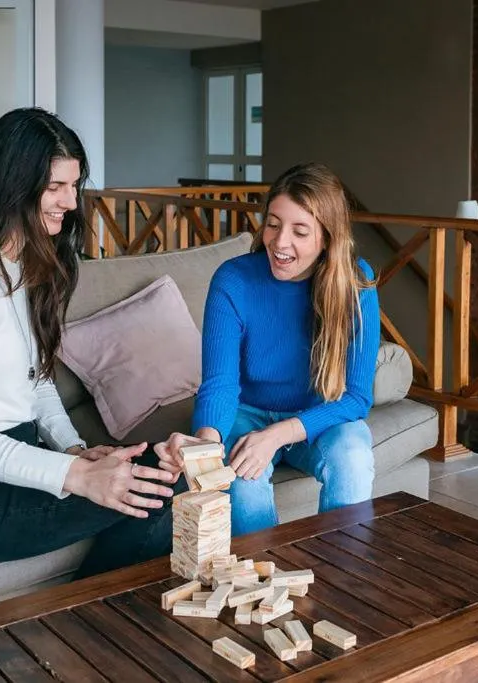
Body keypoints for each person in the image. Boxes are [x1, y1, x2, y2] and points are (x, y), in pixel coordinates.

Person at [0, 107, 180, 580]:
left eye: (73, 186)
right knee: (158, 489)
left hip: (15, 461)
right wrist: (80, 479)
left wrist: (71, 450)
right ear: (10, 185)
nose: (70, 202)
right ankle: (91, 625)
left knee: (160, 474)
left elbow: (38, 381)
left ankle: (94, 619)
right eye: (55, 187)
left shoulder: (19, 265)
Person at [155, 162, 380, 536]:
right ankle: (262, 580)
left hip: (317, 416)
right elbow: (220, 383)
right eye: (273, 224)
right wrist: (206, 444)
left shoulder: (356, 282)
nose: (279, 242)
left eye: (300, 231)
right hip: (248, 412)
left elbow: (356, 399)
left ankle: (344, 573)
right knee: (241, 483)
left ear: (328, 237)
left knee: (353, 455)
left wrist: (278, 434)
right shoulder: (234, 279)